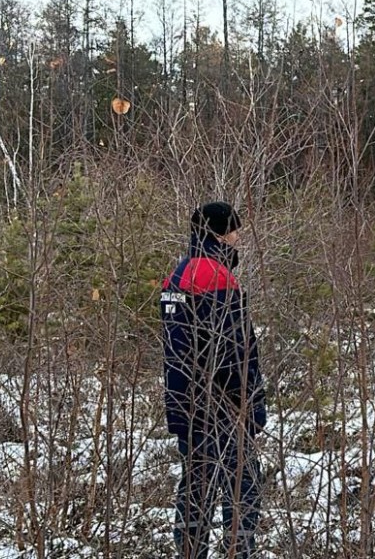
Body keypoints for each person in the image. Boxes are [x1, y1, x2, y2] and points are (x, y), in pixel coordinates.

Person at [162, 201, 265, 559]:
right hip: (222, 407)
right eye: (235, 230)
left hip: (185, 404)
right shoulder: (218, 278)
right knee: (243, 485)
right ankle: (239, 551)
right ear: (222, 233)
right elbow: (235, 351)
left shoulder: (177, 274)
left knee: (196, 486)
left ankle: (190, 553)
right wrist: (250, 407)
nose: (239, 238)